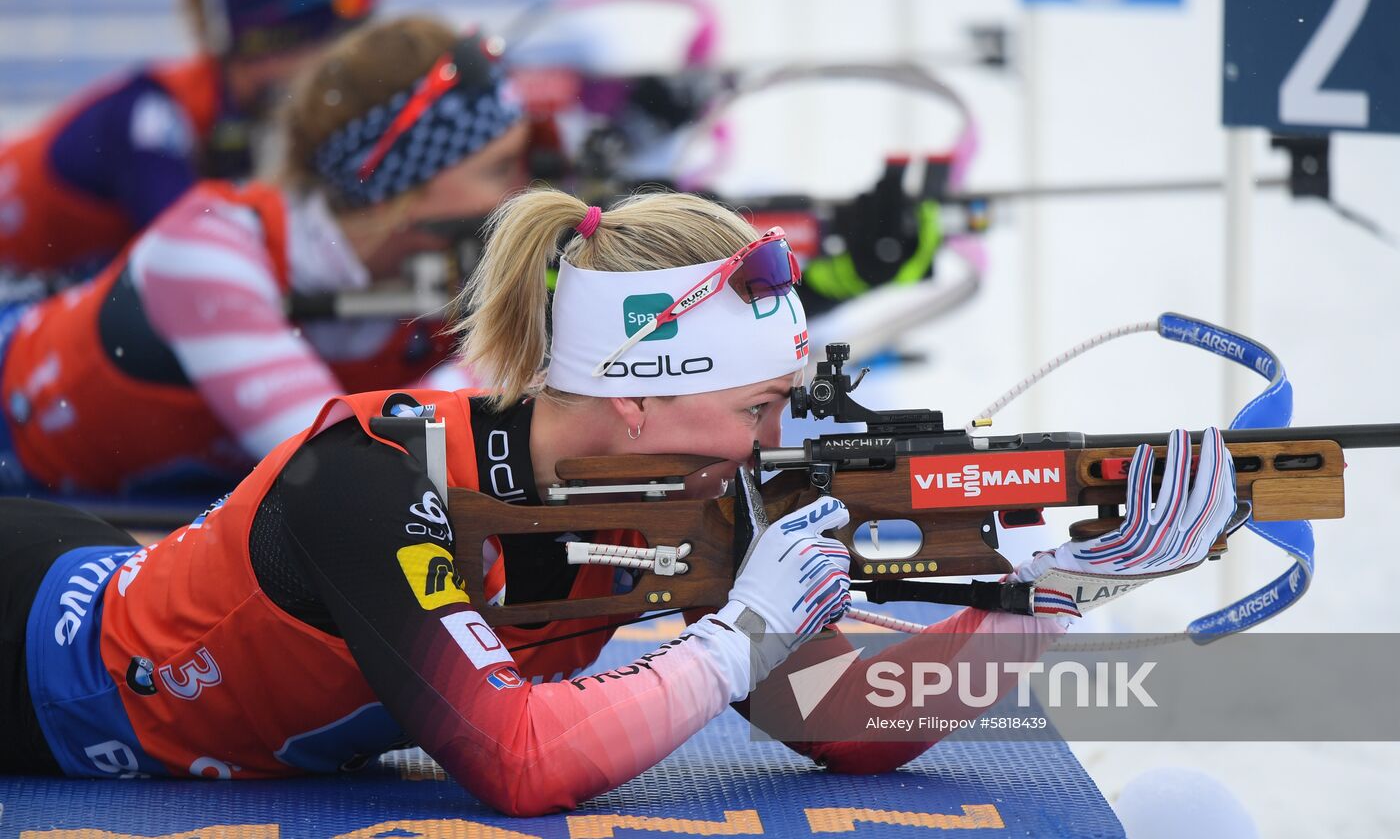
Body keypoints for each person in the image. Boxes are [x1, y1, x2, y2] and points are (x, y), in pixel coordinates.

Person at [0, 184, 1241, 816]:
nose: (777, 437)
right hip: (35, 660)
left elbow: (842, 722)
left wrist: (1058, 592)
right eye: (756, 407)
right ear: (637, 396)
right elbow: (517, 762)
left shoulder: (684, 492)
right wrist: (731, 639)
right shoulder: (372, 482)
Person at [0, 14, 530, 495]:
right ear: (403, 189)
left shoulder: (421, 256)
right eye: (499, 170)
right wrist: (518, 347)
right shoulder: (204, 254)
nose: (521, 191)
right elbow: (349, 478)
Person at [0, 0, 380, 279]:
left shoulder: (233, 115)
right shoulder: (148, 117)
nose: (339, 73)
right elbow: (200, 253)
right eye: (332, 46)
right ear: (270, 42)